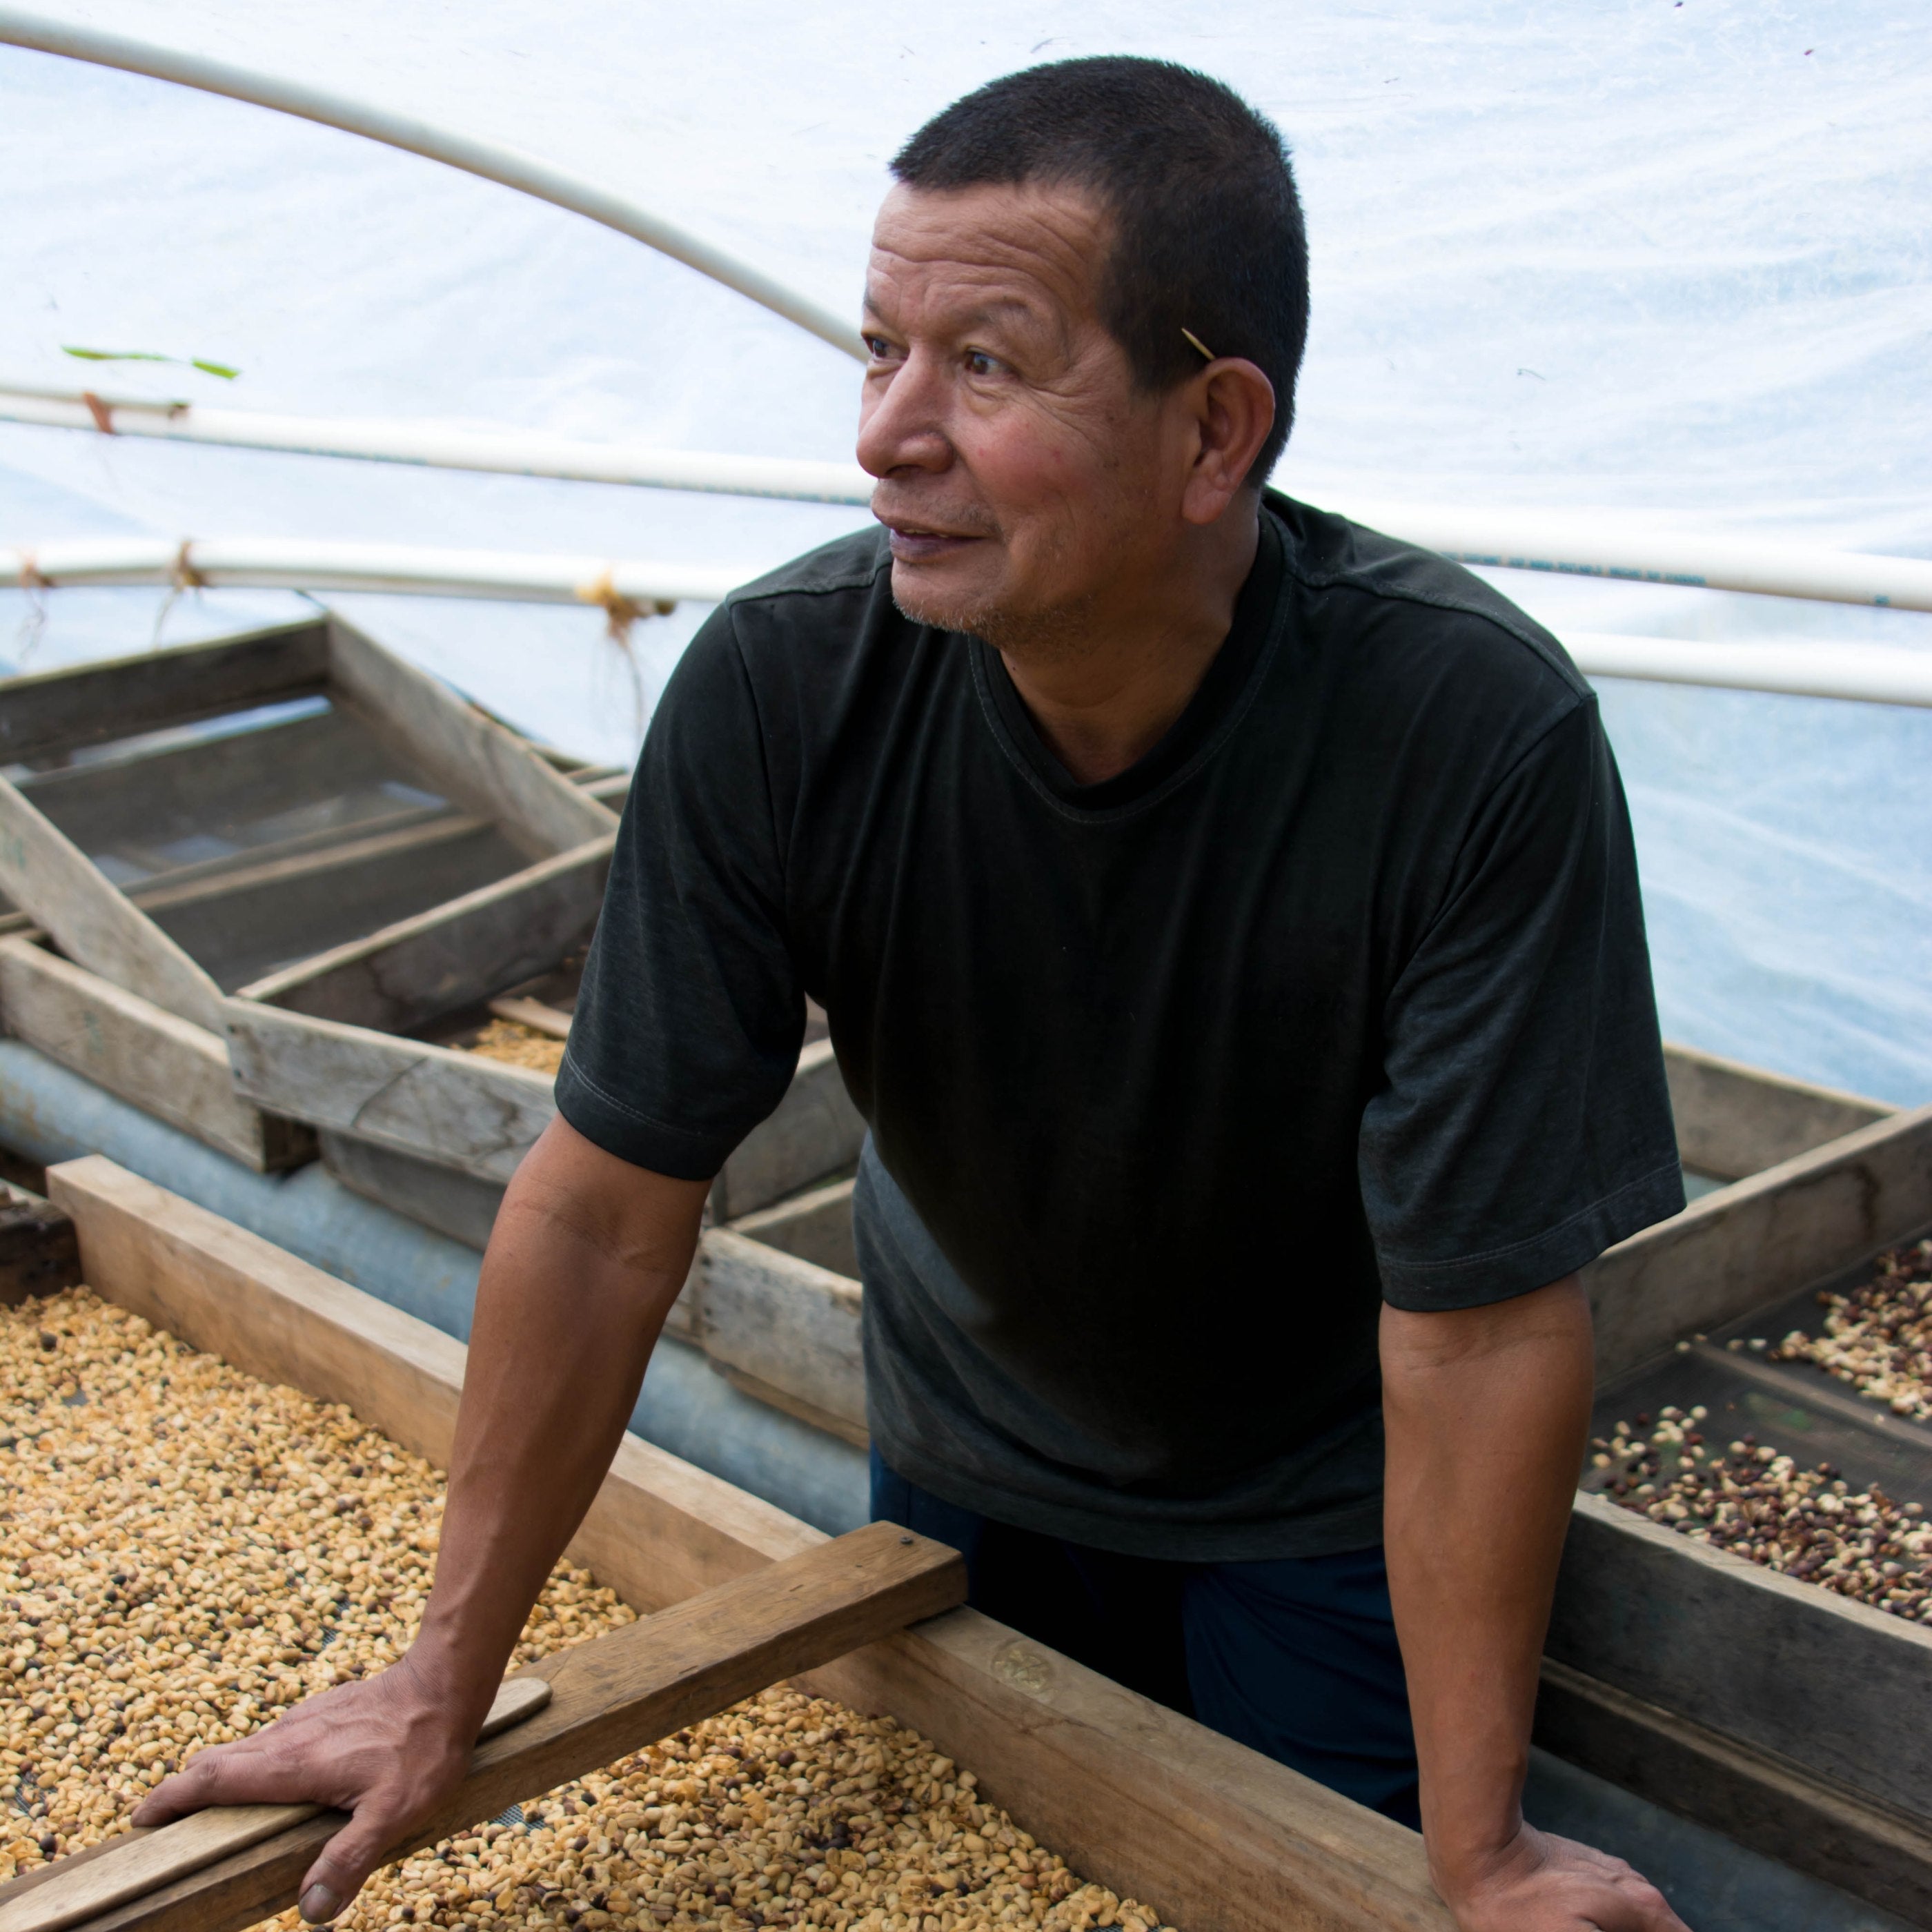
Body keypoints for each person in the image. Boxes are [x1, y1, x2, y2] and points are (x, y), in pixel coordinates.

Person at [139, 55, 1695, 1932]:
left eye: (983, 364)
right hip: (968, 1438)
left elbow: (1480, 1333)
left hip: (1326, 1506)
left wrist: (1481, 1856)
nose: (885, 435)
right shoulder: (784, 692)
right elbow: (605, 1210)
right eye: (876, 348)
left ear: (1217, 433)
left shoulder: (1467, 738)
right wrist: (440, 1677)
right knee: (978, 1863)